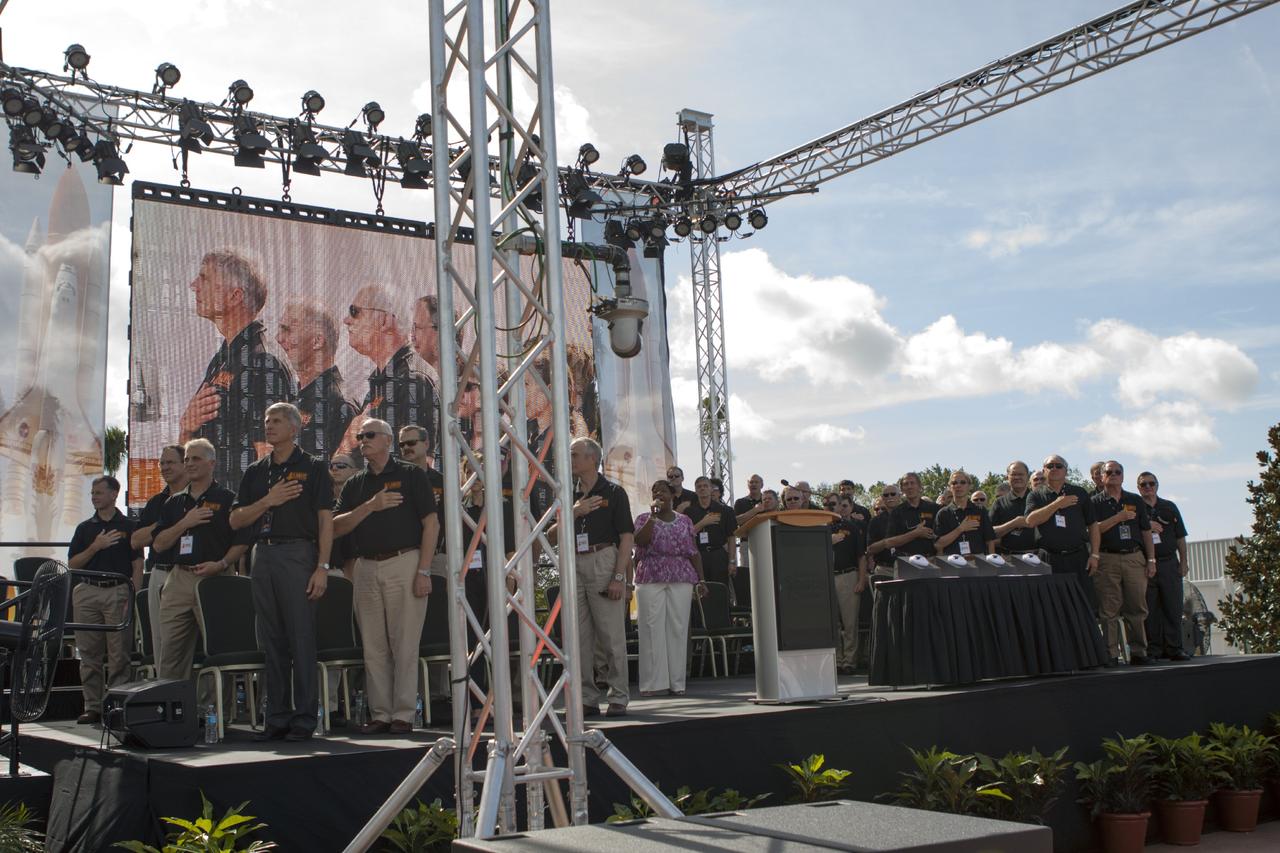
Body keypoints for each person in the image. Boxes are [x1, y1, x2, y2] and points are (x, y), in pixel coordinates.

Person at [230, 402, 334, 741]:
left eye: (276, 420)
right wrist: (267, 501)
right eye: (266, 420)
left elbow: (325, 520)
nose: (269, 425)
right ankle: (276, 717)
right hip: (264, 554)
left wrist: (322, 566)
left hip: (299, 553)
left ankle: (304, 719)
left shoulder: (314, 467)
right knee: (271, 640)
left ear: (294, 427)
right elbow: (236, 520)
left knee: (301, 639)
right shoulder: (256, 472)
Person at [333, 419, 439, 734]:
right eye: (359, 436)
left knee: (404, 642)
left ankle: (403, 714)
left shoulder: (411, 475)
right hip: (365, 566)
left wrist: (424, 569)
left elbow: (431, 524)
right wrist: (371, 506)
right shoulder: (356, 484)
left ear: (387, 441)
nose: (362, 440)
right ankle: (380, 713)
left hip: (405, 561)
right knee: (373, 645)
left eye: (369, 435)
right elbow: (337, 526)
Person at [181, 249, 296, 489]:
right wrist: (185, 427)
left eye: (205, 279)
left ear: (235, 296)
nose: (194, 286)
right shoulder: (222, 359)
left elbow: (270, 456)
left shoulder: (263, 361)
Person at [151, 439, 249, 690]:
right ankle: (170, 708)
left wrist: (222, 563)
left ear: (211, 463)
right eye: (187, 460)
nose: (190, 464)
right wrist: (186, 522)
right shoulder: (174, 503)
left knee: (219, 648)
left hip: (217, 578)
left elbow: (242, 541)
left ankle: (216, 715)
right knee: (171, 650)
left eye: (196, 459)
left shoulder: (227, 499)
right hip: (179, 578)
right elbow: (159, 544)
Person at [555, 437, 633, 718]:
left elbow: (626, 538)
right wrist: (573, 513)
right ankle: (586, 697)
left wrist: (619, 577)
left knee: (611, 634)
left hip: (603, 559)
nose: (570, 459)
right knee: (578, 637)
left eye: (574, 454)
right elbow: (548, 533)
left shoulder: (614, 492)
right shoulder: (565, 493)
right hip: (573, 561)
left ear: (592, 459)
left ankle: (619, 695)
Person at [68, 476, 143, 724]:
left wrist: (132, 595)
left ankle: (117, 705)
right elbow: (72, 564)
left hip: (117, 590)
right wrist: (95, 546)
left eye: (99, 492)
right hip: (87, 590)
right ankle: (93, 706)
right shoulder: (84, 528)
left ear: (113, 494)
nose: (94, 496)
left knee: (118, 653)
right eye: (92, 492)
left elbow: (137, 564)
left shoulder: (129, 525)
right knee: (89, 654)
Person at [344, 283, 439, 455]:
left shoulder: (413, 379)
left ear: (385, 321)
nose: (347, 320)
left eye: (355, 311)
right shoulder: (383, 380)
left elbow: (419, 464)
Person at [633, 480, 704, 696]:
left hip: (680, 575)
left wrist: (701, 580)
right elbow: (640, 542)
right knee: (651, 628)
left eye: (663, 490)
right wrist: (653, 518)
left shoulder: (685, 521)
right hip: (650, 575)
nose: (658, 494)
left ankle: (677, 682)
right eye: (655, 491)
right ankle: (654, 684)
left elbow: (693, 552)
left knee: (677, 628)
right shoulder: (643, 519)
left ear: (672, 496)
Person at [1091, 461, 1156, 666]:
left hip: (1134, 557)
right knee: (1109, 610)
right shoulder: (1095, 503)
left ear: (1123, 475)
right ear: (1101, 477)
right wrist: (1118, 518)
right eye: (1109, 472)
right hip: (1107, 558)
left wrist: (1151, 560)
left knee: (1137, 606)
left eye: (1118, 472)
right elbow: (1094, 530)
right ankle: (1111, 654)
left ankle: (1138, 652)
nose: (1114, 475)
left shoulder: (1134, 499)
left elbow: (1146, 532)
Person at [277, 300, 359, 458]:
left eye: (288, 330)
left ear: (317, 341)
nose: (279, 338)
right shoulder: (293, 396)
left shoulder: (339, 403)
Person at [131, 444, 187, 669]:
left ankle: (202, 702)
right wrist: (164, 521)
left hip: (189, 574)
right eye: (162, 463)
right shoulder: (156, 502)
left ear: (185, 464)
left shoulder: (199, 496)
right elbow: (136, 540)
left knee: (195, 643)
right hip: (160, 575)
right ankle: (166, 696)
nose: (165, 467)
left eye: (171, 462)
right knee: (160, 642)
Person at [1025, 455, 1100, 615]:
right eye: (1049, 466)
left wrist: (1094, 555)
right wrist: (1057, 503)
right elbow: (1031, 521)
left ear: (1066, 471)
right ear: (1044, 470)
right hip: (1049, 559)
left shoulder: (1079, 493)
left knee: (1083, 606)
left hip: (1078, 557)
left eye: (1058, 466)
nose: (1054, 469)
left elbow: (1093, 525)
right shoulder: (1036, 495)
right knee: (1052, 608)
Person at [1138, 471, 1190, 661]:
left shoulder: (1169, 507)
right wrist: (1146, 524)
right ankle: (1154, 649)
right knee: (1150, 609)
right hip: (1145, 565)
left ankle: (1175, 648)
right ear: (1138, 488)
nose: (1148, 487)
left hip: (1169, 563)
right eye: (1144, 485)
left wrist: (1183, 562)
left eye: (1151, 484)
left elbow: (1180, 537)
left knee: (1173, 606)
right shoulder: (1135, 508)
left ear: (1157, 486)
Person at [829, 495, 868, 674]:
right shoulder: (820, 528)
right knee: (832, 624)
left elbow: (861, 556)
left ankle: (850, 661)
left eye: (833, 504)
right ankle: (836, 660)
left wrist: (861, 579)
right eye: (826, 504)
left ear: (841, 507)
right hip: (827, 578)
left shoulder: (852, 527)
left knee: (849, 622)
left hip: (848, 576)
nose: (830, 507)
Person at [682, 476, 738, 590]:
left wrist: (732, 561)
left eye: (705, 486)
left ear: (711, 489)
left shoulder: (725, 510)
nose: (702, 489)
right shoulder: (689, 512)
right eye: (699, 487)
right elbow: (685, 535)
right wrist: (703, 523)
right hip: (698, 556)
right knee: (701, 591)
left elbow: (731, 537)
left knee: (720, 590)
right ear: (696, 490)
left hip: (718, 555)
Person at [933, 471, 997, 557]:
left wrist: (992, 562)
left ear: (970, 486)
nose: (958, 485)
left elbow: (990, 541)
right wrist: (960, 529)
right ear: (950, 487)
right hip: (953, 562)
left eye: (962, 482)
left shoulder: (980, 511)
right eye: (954, 483)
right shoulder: (943, 513)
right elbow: (938, 544)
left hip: (978, 561)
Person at [884, 472, 939, 559]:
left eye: (912, 483)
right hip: (906, 561)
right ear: (902, 489)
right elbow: (888, 543)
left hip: (931, 560)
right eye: (906, 484)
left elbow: (942, 536)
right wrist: (915, 533)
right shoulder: (896, 512)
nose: (909, 487)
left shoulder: (934, 508)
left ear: (920, 486)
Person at [991, 461, 1036, 555]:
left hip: (1038, 557)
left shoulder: (1039, 499)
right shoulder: (999, 503)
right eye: (1013, 474)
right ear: (1007, 477)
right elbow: (989, 533)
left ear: (1028, 476)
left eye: (1021, 474)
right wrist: (1013, 524)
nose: (1017, 477)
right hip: (1008, 559)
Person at [866, 485, 903, 582]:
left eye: (893, 494)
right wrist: (887, 542)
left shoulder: (909, 515)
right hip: (884, 569)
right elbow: (870, 549)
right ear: (883, 498)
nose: (890, 497)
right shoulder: (875, 521)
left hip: (906, 567)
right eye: (886, 495)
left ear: (900, 496)